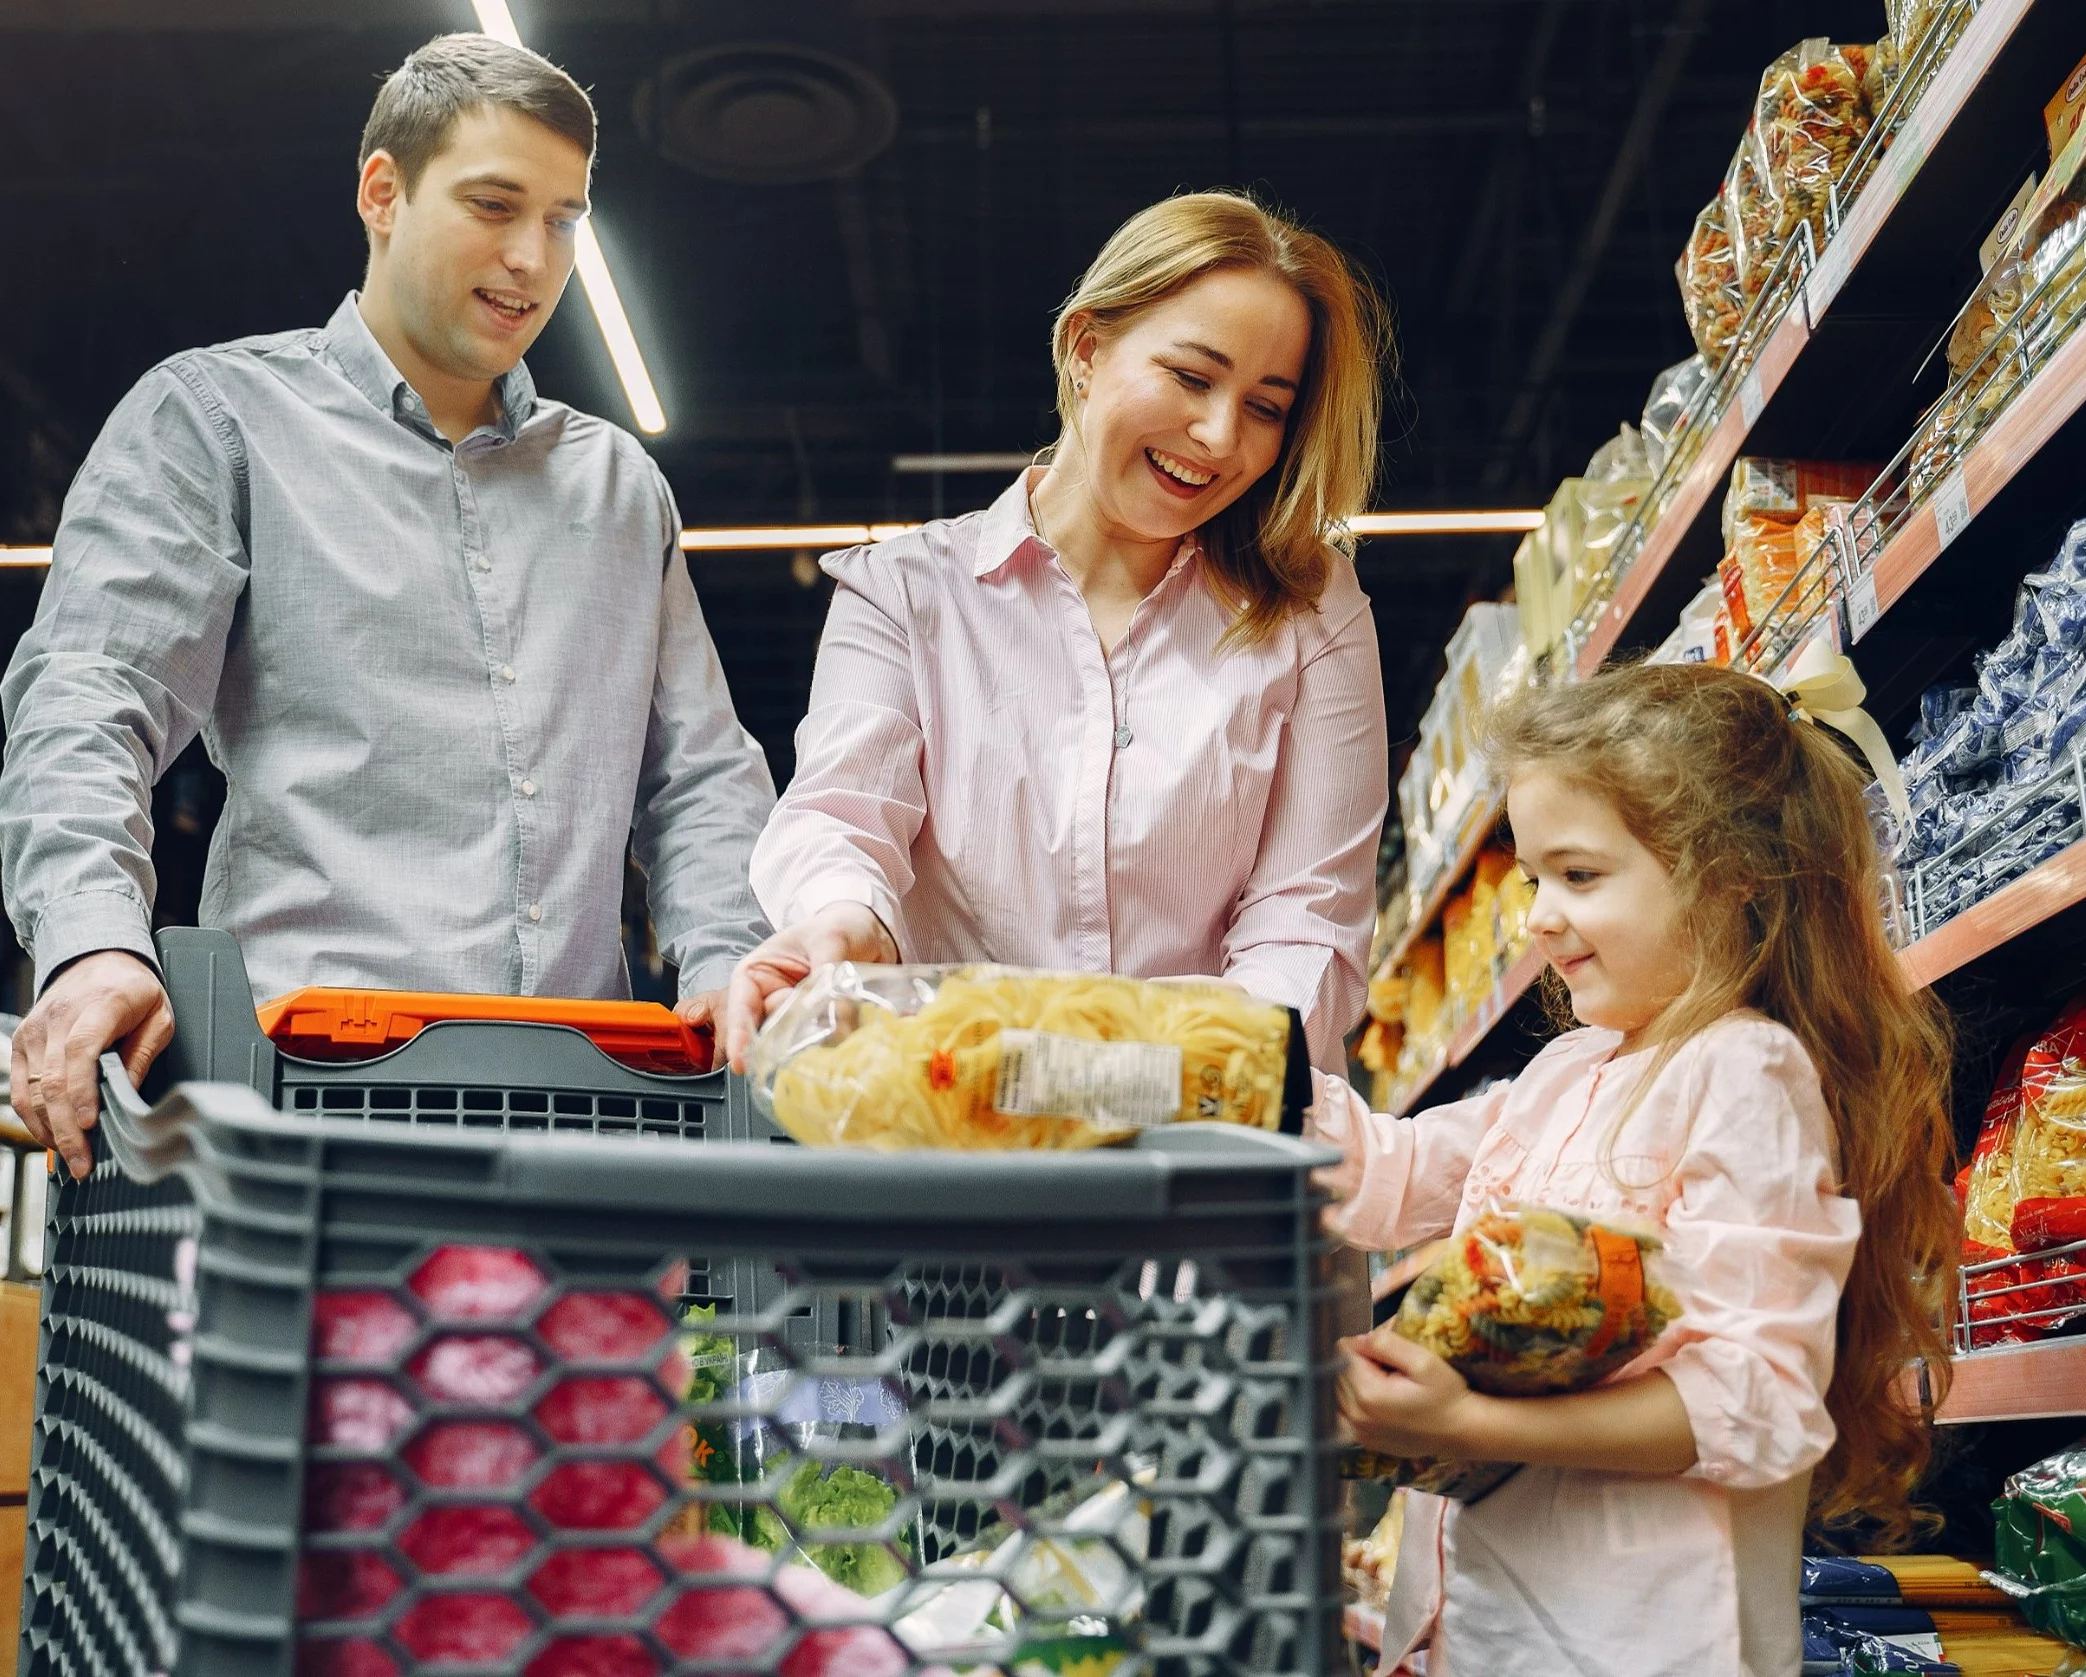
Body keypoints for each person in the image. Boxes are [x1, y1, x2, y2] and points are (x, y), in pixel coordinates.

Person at [0, 34, 776, 1178]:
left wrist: (732, 963)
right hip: (300, 1120)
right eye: (494, 204)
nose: (531, 258)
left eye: (563, 220)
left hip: (586, 1127)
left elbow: (699, 777)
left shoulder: (616, 487)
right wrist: (90, 946)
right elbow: (90, 698)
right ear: (382, 192)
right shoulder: (217, 423)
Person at [1317, 659, 1957, 1676]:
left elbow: (1754, 1398)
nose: (1536, 918)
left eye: (1578, 877)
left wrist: (1466, 1422)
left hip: (1642, 1640)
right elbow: (1381, 1173)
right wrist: (1224, 1054)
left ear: (1732, 877)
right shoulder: (1565, 1072)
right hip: (1482, 1630)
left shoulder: (1743, 1073)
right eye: (1533, 879)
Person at [731, 190, 1392, 1070]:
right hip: (955, 1125)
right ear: (1086, 348)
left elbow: (1308, 918)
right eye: (1193, 377)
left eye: (1267, 407)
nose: (1220, 434)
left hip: (1207, 1142)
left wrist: (1152, 1073)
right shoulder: (905, 593)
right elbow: (842, 817)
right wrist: (845, 925)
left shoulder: (1313, 612)